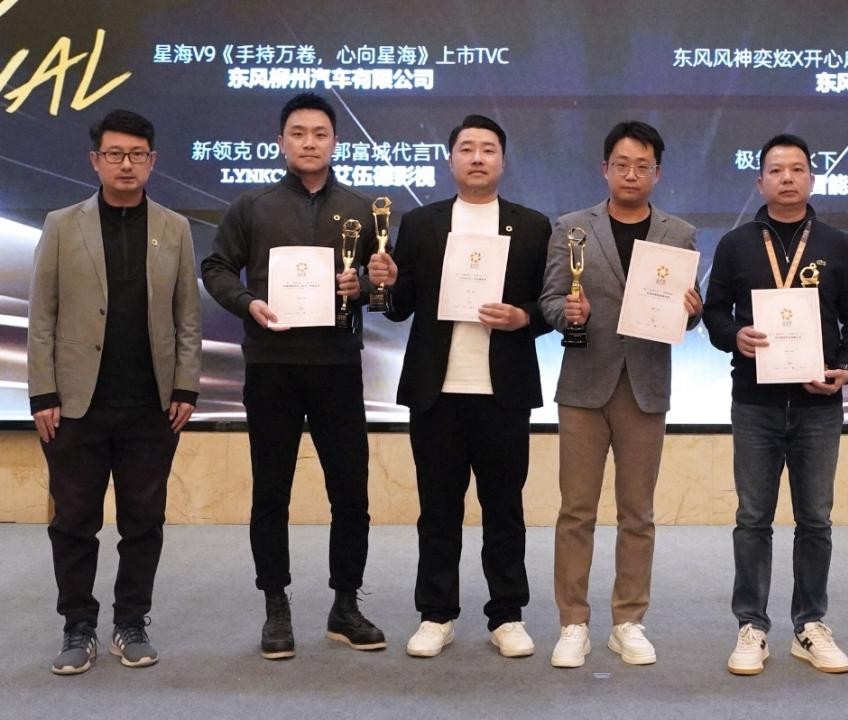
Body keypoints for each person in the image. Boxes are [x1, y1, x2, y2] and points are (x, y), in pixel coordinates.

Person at [202, 92, 384, 660]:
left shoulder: (361, 209)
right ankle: (275, 605)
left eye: (320, 134)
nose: (310, 142)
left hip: (337, 365)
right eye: (299, 133)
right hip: (272, 365)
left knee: (350, 490)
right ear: (281, 142)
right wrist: (247, 303)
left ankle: (345, 604)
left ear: (335, 142)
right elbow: (216, 267)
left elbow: (384, 283)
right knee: (271, 490)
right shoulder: (252, 206)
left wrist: (365, 287)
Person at [367, 115, 551, 659]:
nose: (477, 157)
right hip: (437, 392)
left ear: (502, 161)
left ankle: (507, 615)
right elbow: (399, 309)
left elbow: (550, 303)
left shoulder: (531, 226)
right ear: (450, 160)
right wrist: (387, 284)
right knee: (438, 510)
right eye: (466, 148)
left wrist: (523, 317)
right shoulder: (421, 223)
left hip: (503, 392)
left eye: (488, 149)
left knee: (504, 510)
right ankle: (436, 613)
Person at [27, 109, 201, 674]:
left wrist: (186, 385)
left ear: (152, 161)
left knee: (143, 521)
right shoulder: (61, 225)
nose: (126, 164)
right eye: (115, 154)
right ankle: (78, 625)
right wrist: (43, 393)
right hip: (75, 406)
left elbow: (187, 317)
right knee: (74, 521)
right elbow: (42, 317)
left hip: (152, 405)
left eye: (137, 155)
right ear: (95, 160)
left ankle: (131, 621)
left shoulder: (174, 227)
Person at [703, 133, 848, 676]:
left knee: (815, 519)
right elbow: (714, 313)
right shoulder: (736, 244)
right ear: (760, 182)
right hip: (755, 403)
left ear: (811, 178)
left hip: (819, 405)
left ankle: (809, 624)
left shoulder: (838, 245)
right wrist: (734, 336)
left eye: (797, 169)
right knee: (752, 518)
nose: (787, 178)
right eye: (776, 170)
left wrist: (846, 367)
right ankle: (751, 625)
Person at [539, 120, 702, 668]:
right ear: (605, 169)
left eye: (643, 166)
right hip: (584, 385)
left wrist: (693, 312)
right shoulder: (571, 228)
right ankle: (573, 622)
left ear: (658, 173)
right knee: (576, 511)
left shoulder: (679, 233)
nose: (631, 174)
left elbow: (687, 314)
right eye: (622, 164)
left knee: (638, 513)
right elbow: (550, 300)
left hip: (645, 386)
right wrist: (569, 313)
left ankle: (629, 621)